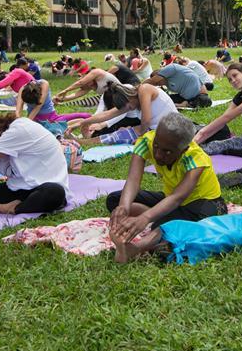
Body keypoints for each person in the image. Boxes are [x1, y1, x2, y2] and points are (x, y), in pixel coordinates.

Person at [105, 113, 225, 263]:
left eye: (167, 151)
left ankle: (136, 248)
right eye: (156, 146)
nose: (158, 154)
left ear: (183, 149)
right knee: (116, 200)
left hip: (204, 203)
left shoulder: (195, 157)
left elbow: (178, 197)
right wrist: (123, 207)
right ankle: (159, 218)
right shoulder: (146, 141)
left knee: (167, 226)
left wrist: (145, 218)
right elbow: (133, 180)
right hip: (171, 200)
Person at [68, 82, 177, 145]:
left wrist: (141, 138)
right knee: (118, 134)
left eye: (129, 106)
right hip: (157, 129)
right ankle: (82, 142)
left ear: (129, 96)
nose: (131, 108)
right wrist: (83, 123)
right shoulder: (132, 100)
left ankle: (82, 142)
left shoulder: (145, 89)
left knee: (122, 133)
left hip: (171, 128)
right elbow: (107, 114)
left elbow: (146, 120)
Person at [16, 80, 89, 125]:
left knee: (85, 116)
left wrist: (27, 123)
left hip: (50, 117)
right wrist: (18, 123)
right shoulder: (23, 89)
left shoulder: (44, 84)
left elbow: (37, 107)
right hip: (34, 119)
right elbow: (18, 111)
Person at [143, 63, 211, 108]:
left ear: (161, 74)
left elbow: (151, 81)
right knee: (166, 99)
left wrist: (140, 87)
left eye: (157, 81)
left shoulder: (171, 68)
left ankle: (186, 104)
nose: (157, 83)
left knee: (205, 101)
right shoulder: (168, 84)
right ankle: (187, 103)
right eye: (157, 84)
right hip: (185, 98)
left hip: (199, 94)